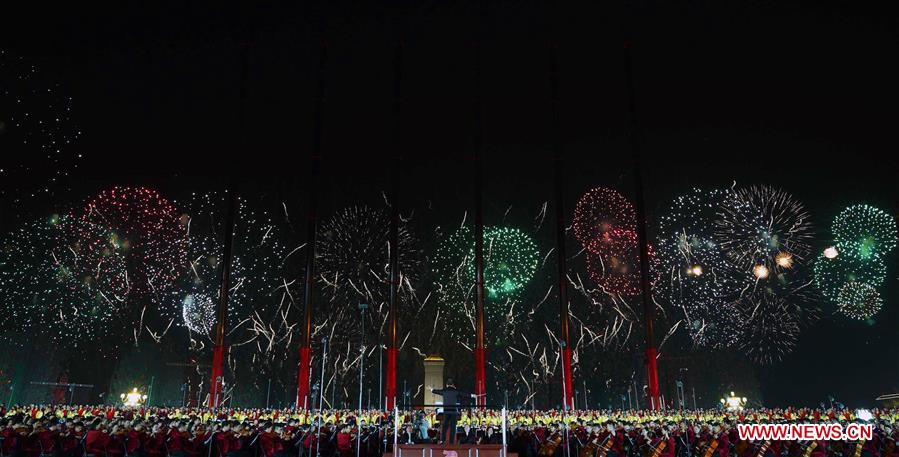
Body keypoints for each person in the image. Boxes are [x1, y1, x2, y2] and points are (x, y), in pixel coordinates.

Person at [428, 379, 477, 445]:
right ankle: (451, 442)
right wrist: (472, 395)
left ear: (447, 385)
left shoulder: (444, 391)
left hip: (446, 411)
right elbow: (463, 394)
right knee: (453, 427)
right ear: (452, 385)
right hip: (453, 411)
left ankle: (442, 440)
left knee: (445, 426)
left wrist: (432, 389)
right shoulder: (455, 391)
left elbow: (437, 391)